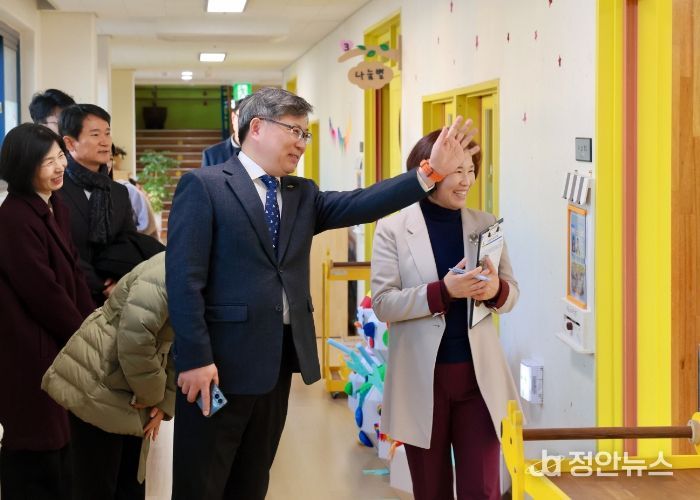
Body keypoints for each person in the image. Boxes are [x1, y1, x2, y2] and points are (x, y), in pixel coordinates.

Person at [166, 87, 476, 499]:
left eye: (306, 134)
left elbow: (363, 202)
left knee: (252, 481)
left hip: (274, 366)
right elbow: (184, 280)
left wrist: (428, 174)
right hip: (216, 367)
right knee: (201, 484)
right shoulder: (204, 186)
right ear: (256, 128)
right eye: (293, 131)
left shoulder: (300, 194)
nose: (301, 143)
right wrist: (195, 358)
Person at [370, 130, 521, 499]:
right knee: (431, 489)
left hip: (478, 380)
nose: (467, 180)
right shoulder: (392, 229)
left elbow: (511, 294)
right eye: (457, 171)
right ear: (432, 172)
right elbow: (383, 302)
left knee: (482, 488)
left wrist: (495, 291)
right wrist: (443, 291)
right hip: (422, 380)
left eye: (471, 170)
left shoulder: (485, 224)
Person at [0, 123, 94, 499]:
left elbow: (73, 273)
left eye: (60, 157)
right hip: (30, 349)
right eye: (47, 161)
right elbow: (44, 292)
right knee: (35, 447)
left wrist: (94, 324)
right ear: (24, 166)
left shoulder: (55, 206)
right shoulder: (14, 217)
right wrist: (85, 335)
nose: (59, 167)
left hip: (56, 343)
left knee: (60, 445)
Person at [42, 251, 175, 500]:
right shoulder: (168, 272)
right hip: (102, 380)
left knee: (127, 484)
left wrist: (164, 401)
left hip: (131, 384)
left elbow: (184, 342)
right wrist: (155, 395)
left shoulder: (195, 272)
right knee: (95, 484)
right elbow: (136, 337)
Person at [58, 103, 139, 305]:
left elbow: (128, 242)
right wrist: (100, 284)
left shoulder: (118, 192)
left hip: (116, 296)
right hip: (70, 295)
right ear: (70, 143)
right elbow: (61, 248)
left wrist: (119, 282)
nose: (105, 142)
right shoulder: (55, 189)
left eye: (107, 133)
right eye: (95, 134)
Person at [201, 95, 250, 167]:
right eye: (241, 117)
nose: (245, 123)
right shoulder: (211, 155)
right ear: (233, 118)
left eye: (251, 118)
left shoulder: (265, 154)